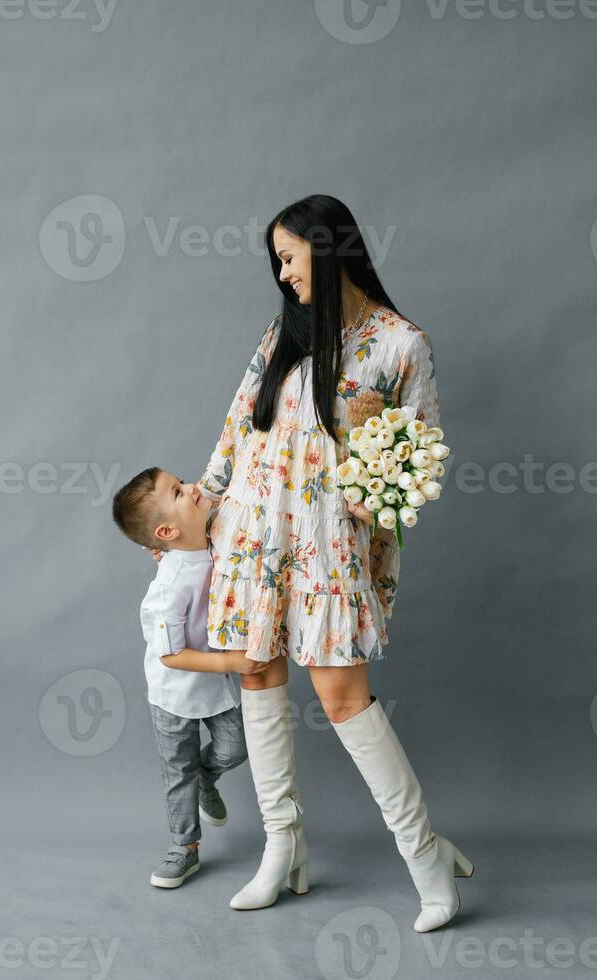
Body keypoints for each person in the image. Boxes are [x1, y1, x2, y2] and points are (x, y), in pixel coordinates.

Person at [191, 194, 475, 931]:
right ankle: (282, 847)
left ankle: (425, 859)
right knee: (257, 672)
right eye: (277, 262)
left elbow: (422, 455)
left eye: (288, 256)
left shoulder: (401, 345)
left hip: (326, 543)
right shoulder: (280, 335)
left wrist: (374, 505)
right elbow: (235, 426)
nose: (283, 275)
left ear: (327, 245)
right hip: (254, 533)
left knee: (343, 697)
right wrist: (207, 505)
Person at [111, 466, 269, 889]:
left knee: (236, 747)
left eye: (183, 482)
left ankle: (206, 776)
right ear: (166, 532)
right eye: (180, 492)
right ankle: (185, 847)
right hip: (173, 690)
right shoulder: (171, 584)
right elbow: (170, 655)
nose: (195, 488)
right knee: (176, 770)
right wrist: (230, 663)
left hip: (212, 684)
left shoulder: (213, 538)